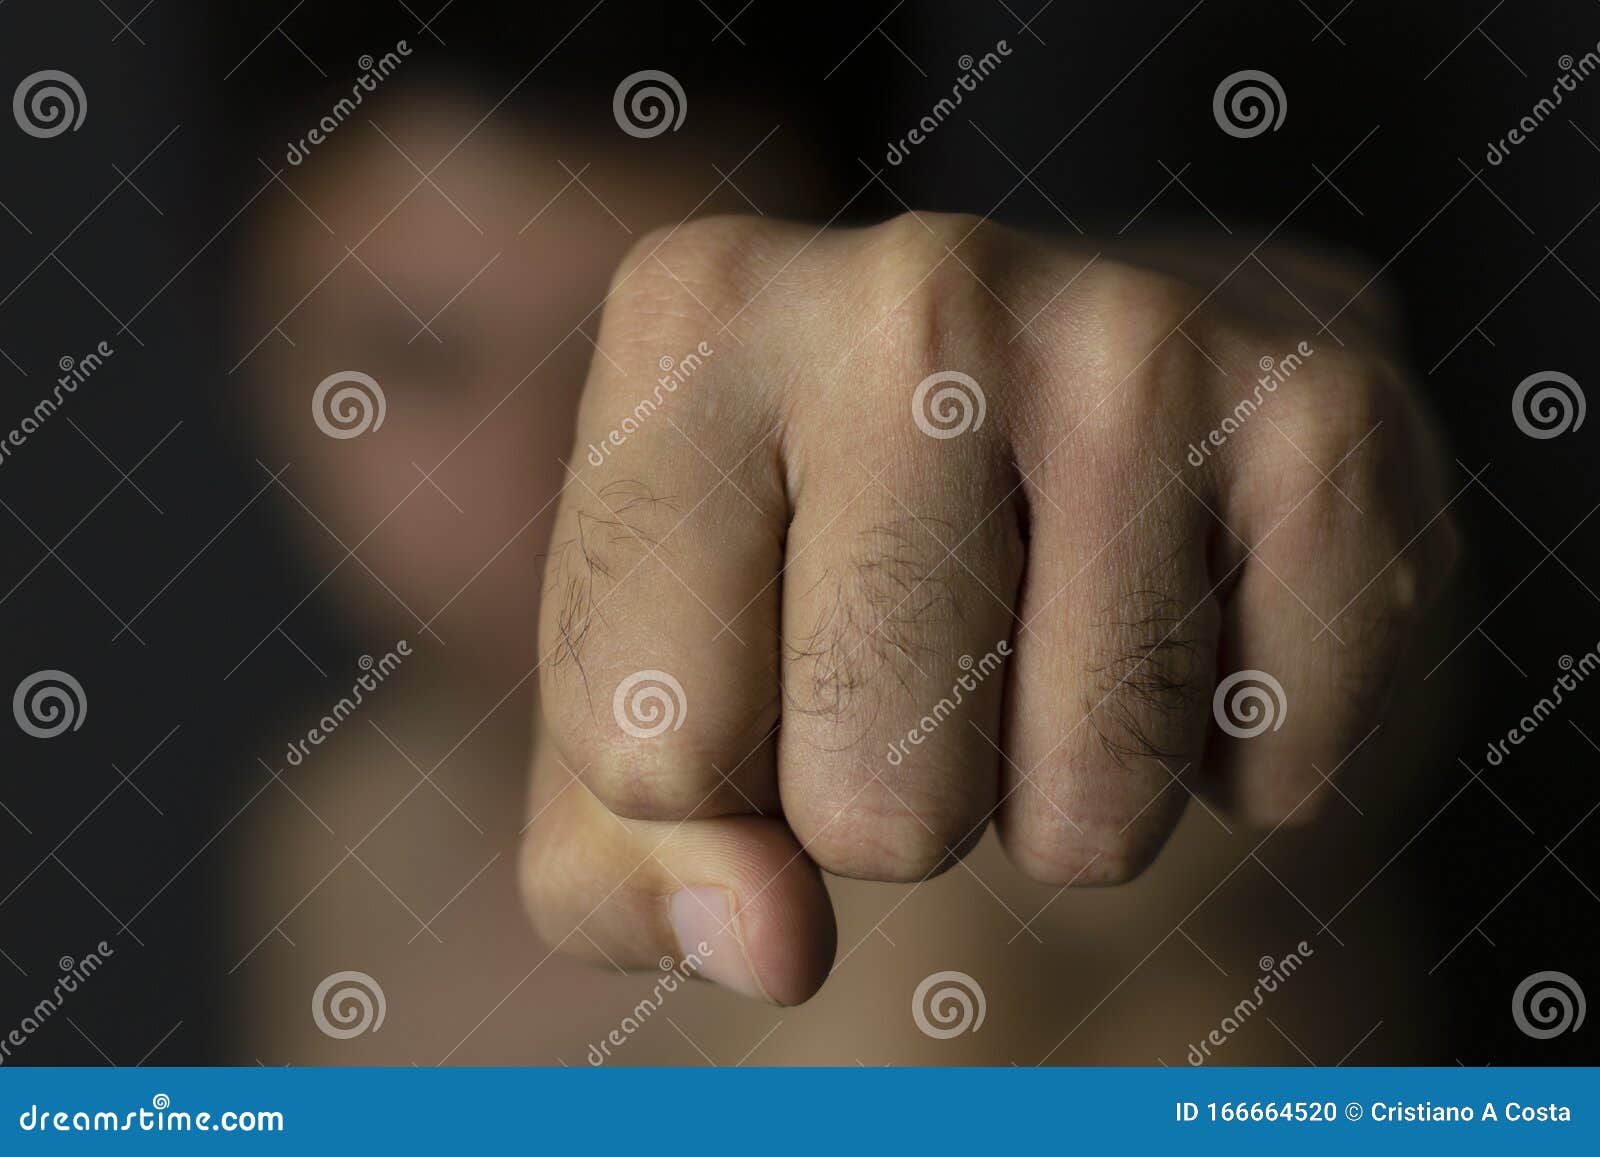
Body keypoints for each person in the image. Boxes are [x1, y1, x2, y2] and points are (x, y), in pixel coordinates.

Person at [230, 84, 1458, 1065]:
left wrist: (1233, 440)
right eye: (418, 354)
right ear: (252, 361)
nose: (538, 473)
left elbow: (1269, 719)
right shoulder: (334, 828)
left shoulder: (982, 786)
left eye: (635, 363)